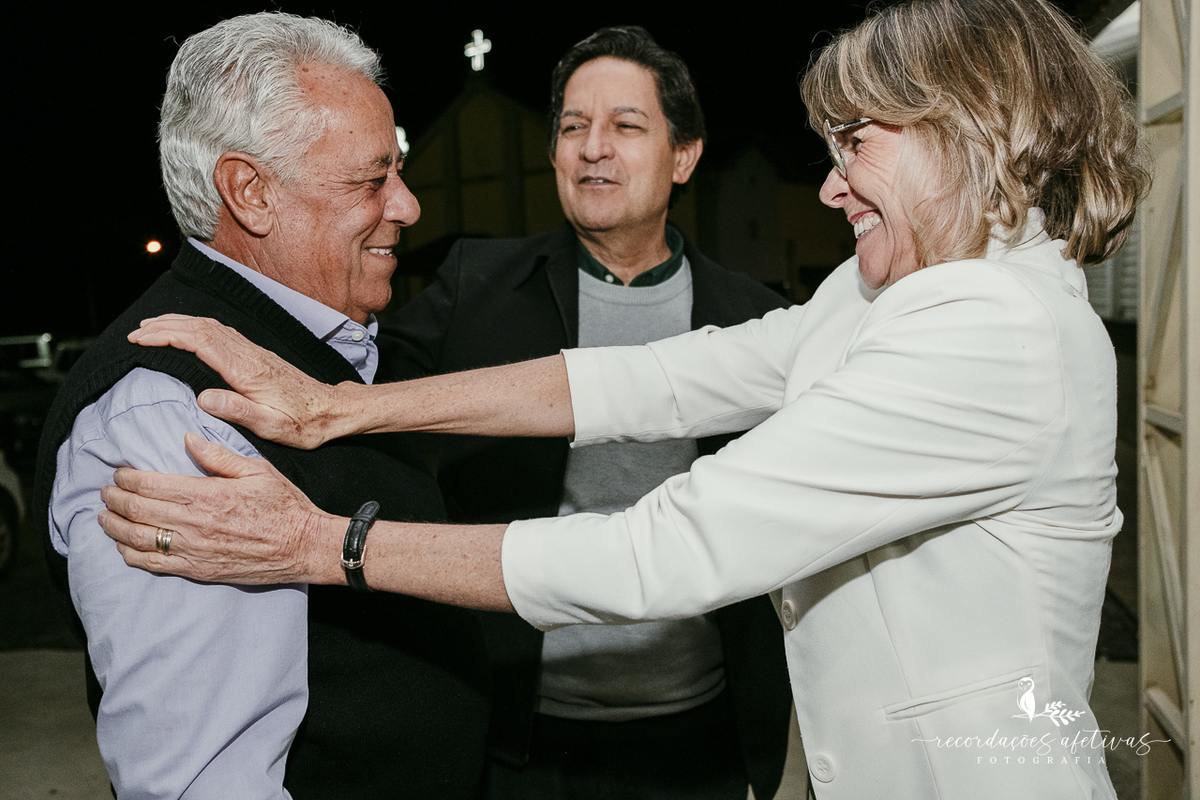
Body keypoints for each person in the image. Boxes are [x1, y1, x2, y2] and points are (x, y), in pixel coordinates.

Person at [98, 0, 1150, 797]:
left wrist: (327, 545)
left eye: (856, 144)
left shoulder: (995, 328)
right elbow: (652, 378)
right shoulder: (891, 288)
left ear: (968, 128)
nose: (831, 185)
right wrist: (342, 407)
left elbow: (667, 546)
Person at [32, 13, 489, 798]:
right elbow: (205, 779)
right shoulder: (175, 419)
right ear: (251, 192)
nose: (408, 206)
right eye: (372, 179)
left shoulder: (323, 341)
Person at [379, 26, 792, 800]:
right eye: (574, 127)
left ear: (685, 156)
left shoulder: (751, 321)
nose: (593, 148)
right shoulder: (478, 285)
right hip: (517, 738)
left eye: (626, 126)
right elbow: (356, 388)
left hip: (697, 736)